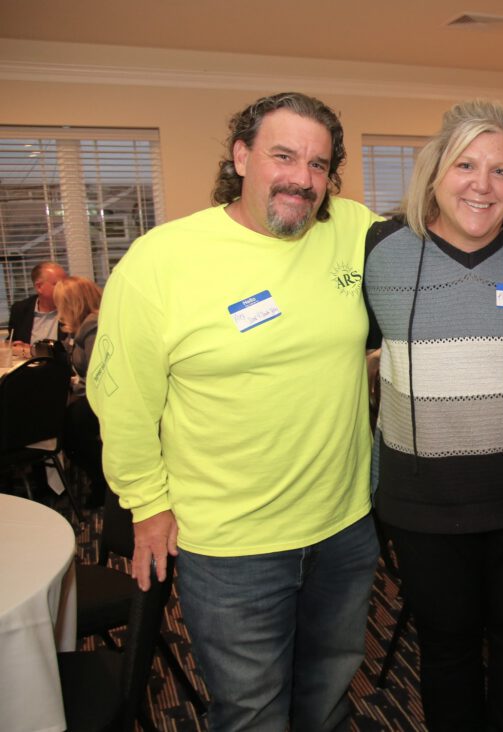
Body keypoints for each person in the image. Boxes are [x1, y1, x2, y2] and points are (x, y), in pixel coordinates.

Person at [90, 92, 380, 731]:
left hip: (343, 530)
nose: (302, 178)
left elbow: (443, 245)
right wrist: (146, 503)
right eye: (284, 156)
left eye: (318, 164)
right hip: (232, 549)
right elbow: (124, 399)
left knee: (327, 701)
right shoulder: (162, 260)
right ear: (241, 156)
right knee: (252, 714)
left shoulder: (354, 230)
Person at [363, 99, 503, 731]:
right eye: (466, 165)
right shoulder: (380, 250)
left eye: (501, 170)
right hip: (423, 502)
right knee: (446, 650)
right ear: (436, 169)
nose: (482, 185)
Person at [53, 276, 106, 506]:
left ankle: (102, 480)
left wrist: (75, 387)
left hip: (103, 399)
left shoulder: (92, 326)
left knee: (69, 428)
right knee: (65, 420)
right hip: (94, 395)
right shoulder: (87, 324)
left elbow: (99, 373)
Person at [9, 261, 67, 356]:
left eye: (65, 283)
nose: (65, 288)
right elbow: (13, 343)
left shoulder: (74, 309)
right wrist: (15, 346)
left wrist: (32, 351)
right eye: (58, 284)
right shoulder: (20, 310)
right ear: (39, 287)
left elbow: (72, 351)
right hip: (28, 364)